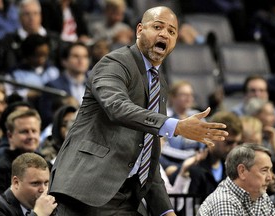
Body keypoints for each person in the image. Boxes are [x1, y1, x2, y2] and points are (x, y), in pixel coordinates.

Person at [48, 6, 228, 216]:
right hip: (86, 187)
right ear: (139, 29)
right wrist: (175, 126)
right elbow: (117, 107)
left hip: (125, 196)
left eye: (171, 31)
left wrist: (165, 211)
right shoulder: (114, 63)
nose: (164, 34)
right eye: (158, 26)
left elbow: (149, 155)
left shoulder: (159, 83)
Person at [197, 143, 275, 216]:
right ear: (242, 171)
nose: (269, 178)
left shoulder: (259, 194)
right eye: (264, 170)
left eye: (270, 170)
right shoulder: (224, 203)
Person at [187, 111, 243, 204]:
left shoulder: (232, 169)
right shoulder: (194, 166)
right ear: (211, 136)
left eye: (238, 143)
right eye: (229, 143)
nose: (234, 148)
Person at [0, 109, 41, 194]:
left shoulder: (46, 165)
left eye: (34, 131)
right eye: (25, 131)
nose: (31, 136)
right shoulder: (2, 169)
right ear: (10, 136)